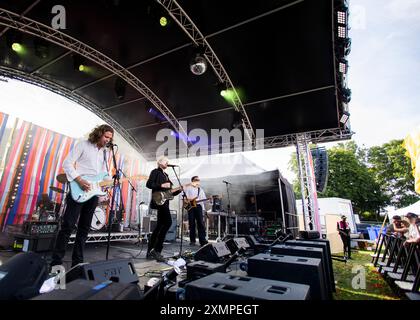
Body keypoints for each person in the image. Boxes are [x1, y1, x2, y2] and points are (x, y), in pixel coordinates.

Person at [50, 124, 113, 268]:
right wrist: (79, 179)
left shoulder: (105, 152)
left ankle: (77, 262)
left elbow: (103, 173)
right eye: (106, 137)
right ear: (99, 134)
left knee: (84, 228)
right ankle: (56, 262)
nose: (107, 140)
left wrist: (107, 181)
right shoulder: (83, 145)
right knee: (68, 226)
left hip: (93, 193)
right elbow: (67, 163)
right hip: (79, 189)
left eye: (110, 138)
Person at [146, 156, 182, 262]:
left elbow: (169, 192)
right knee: (167, 223)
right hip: (158, 201)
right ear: (160, 163)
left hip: (165, 202)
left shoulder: (166, 175)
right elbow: (149, 184)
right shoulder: (155, 172)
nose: (168, 163)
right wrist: (161, 185)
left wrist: (179, 190)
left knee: (160, 226)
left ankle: (152, 251)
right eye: (166, 162)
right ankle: (156, 250)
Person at [184, 176, 209, 247]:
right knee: (192, 224)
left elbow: (203, 200)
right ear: (192, 181)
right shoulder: (188, 188)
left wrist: (208, 200)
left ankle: (202, 241)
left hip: (199, 207)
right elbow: (184, 198)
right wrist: (191, 200)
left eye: (198, 180)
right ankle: (192, 241)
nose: (197, 181)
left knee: (200, 223)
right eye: (196, 180)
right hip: (191, 207)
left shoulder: (200, 189)